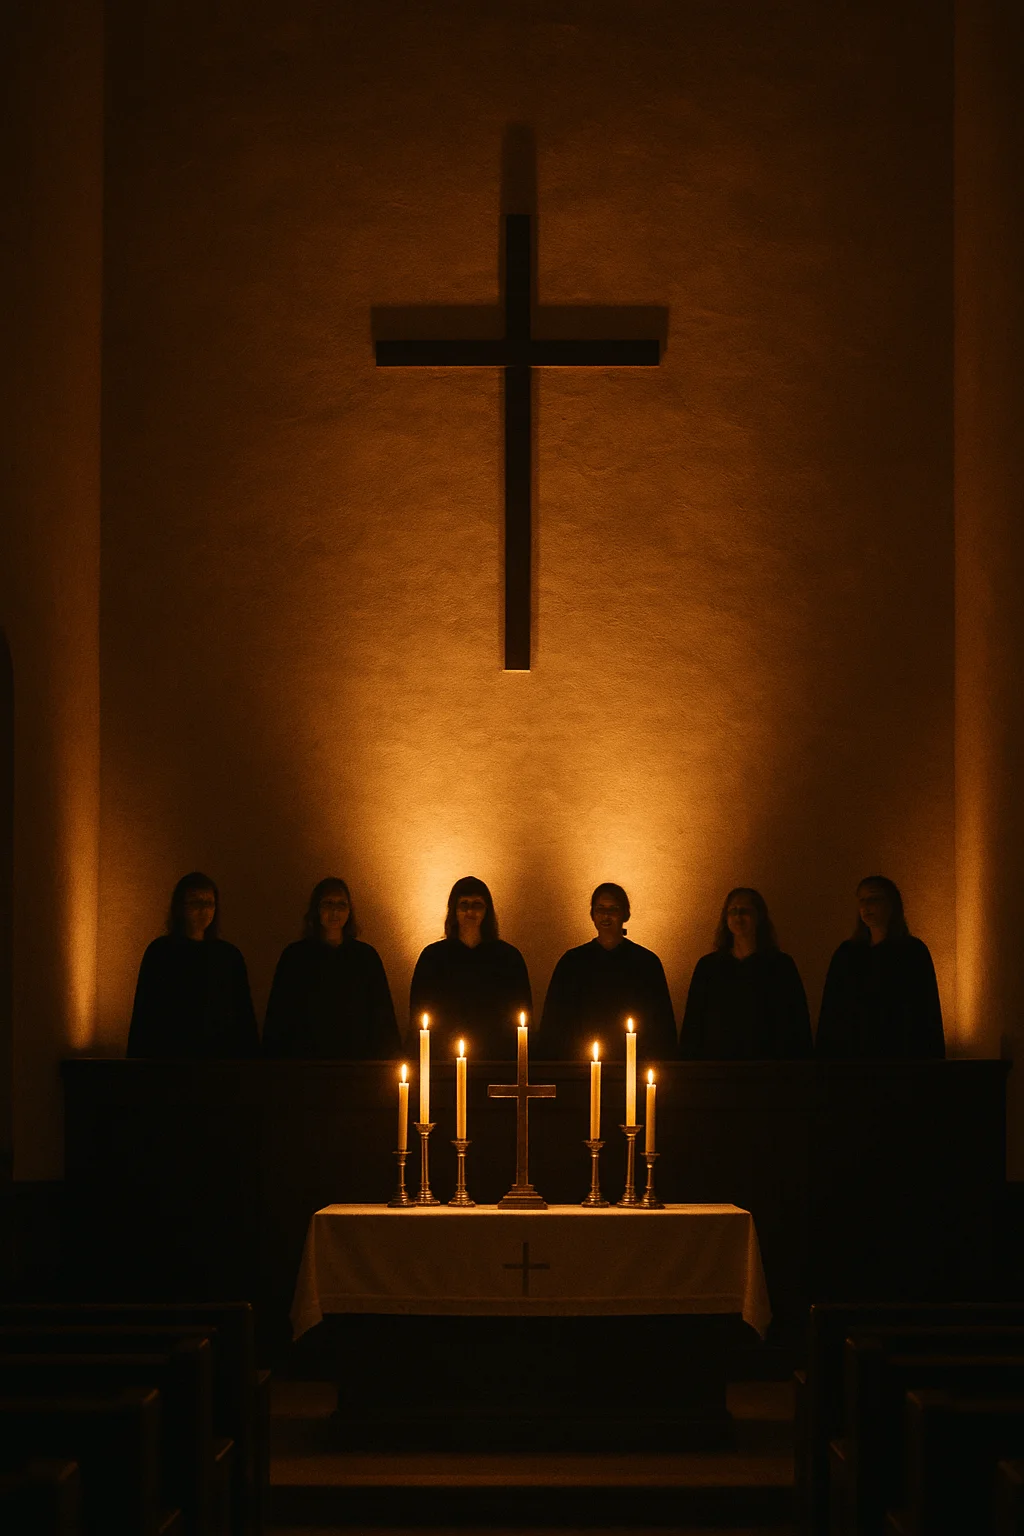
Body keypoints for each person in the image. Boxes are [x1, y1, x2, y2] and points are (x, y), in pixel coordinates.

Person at [263, 878, 400, 1058]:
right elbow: (279, 1015)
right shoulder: (295, 957)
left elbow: (382, 1017)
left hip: (356, 1061)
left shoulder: (365, 957)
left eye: (341, 905)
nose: (335, 911)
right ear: (316, 909)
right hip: (306, 1062)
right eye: (328, 903)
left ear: (349, 911)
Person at [127, 871, 259, 1058]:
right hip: (171, 1057)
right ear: (180, 907)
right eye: (195, 903)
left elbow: (243, 1014)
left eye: (209, 903)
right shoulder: (161, 952)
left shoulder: (229, 956)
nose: (204, 910)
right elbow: (145, 1014)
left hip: (220, 1059)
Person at [537, 883, 677, 1060]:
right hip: (580, 1065)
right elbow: (555, 1022)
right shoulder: (572, 962)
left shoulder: (646, 963)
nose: (606, 915)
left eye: (613, 909)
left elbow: (660, 1024)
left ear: (625, 914)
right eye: (600, 909)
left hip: (633, 1064)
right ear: (592, 915)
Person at [816, 875, 945, 1058]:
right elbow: (831, 1012)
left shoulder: (912, 953)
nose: (866, 906)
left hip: (899, 1055)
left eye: (874, 898)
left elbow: (925, 1012)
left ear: (891, 905)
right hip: (852, 1058)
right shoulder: (846, 954)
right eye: (862, 899)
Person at [679, 888, 812, 1059]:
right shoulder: (708, 967)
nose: (738, 917)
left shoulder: (780, 966)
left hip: (769, 1067)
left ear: (759, 916)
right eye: (733, 911)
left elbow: (797, 1022)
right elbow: (693, 1024)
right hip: (718, 1067)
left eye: (745, 911)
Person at [408, 876, 531, 1057]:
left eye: (477, 905)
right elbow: (419, 1013)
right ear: (454, 911)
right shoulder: (432, 958)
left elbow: (521, 1013)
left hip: (496, 1059)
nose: (470, 912)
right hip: (443, 1059)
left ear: (487, 911)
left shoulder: (509, 958)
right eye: (464, 905)